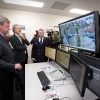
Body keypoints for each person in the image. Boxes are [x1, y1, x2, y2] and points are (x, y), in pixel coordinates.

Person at [0, 15, 22, 100]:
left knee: (9, 94)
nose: (9, 28)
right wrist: (13, 66)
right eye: (7, 26)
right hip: (3, 76)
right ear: (0, 26)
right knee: (5, 96)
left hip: (8, 73)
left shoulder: (3, 37)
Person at [10, 24, 29, 100]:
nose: (20, 29)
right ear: (14, 29)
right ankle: (18, 89)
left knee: (24, 73)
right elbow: (17, 47)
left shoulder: (22, 35)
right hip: (18, 59)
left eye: (20, 28)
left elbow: (28, 43)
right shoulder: (12, 38)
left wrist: (23, 37)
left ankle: (23, 85)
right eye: (18, 28)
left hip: (24, 57)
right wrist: (24, 47)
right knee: (19, 74)